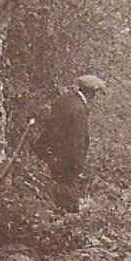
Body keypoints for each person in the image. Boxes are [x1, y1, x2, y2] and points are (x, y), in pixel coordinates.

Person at [33, 73, 106, 212]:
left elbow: (50, 127)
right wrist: (77, 165)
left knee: (58, 193)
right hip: (67, 161)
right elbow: (77, 141)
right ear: (91, 93)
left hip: (54, 156)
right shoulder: (79, 109)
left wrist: (42, 150)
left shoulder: (64, 99)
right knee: (68, 201)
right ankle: (66, 223)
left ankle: (59, 219)